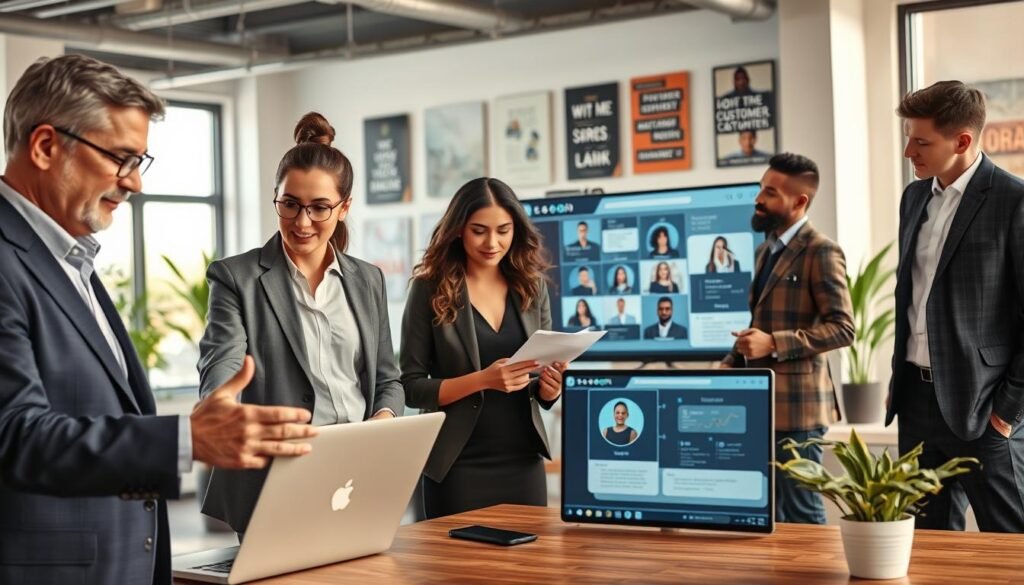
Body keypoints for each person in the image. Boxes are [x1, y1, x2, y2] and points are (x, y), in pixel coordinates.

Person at [0, 55, 316, 585]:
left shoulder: (69, 258)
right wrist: (186, 440)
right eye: (121, 158)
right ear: (46, 146)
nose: (134, 184)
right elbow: (16, 435)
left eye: (139, 163)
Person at [197, 113, 405, 536]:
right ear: (275, 197)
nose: (302, 221)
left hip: (355, 471)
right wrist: (218, 404)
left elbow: (387, 377)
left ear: (344, 208)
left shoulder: (368, 279)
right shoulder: (236, 277)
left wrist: (383, 423)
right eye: (289, 204)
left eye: (319, 207)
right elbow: (222, 360)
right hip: (275, 475)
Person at [887, 81, 1024, 533]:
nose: (909, 150)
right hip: (917, 405)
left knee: (1010, 544)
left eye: (921, 141)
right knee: (927, 545)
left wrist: (1005, 414)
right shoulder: (914, 198)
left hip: (983, 407)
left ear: (962, 141)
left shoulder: (1014, 201)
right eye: (909, 137)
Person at [401, 177, 569, 519]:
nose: (492, 242)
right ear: (458, 229)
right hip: (457, 466)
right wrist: (483, 380)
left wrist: (551, 388)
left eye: (503, 230)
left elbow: (540, 383)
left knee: (529, 569)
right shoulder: (427, 289)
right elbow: (412, 388)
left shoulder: (532, 287)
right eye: (479, 230)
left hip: (523, 462)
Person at [719, 153, 854, 525]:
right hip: (760, 404)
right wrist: (729, 363)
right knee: (770, 514)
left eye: (770, 192)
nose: (758, 198)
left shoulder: (821, 251)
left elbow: (843, 328)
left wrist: (775, 343)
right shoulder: (765, 251)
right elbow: (759, 323)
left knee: (803, 512)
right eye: (761, 188)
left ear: (799, 202)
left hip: (798, 411)